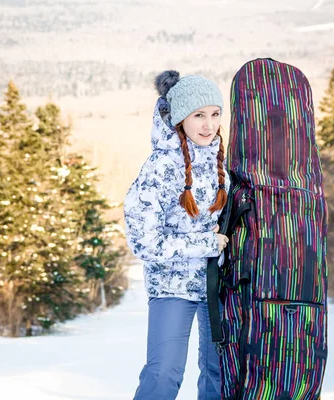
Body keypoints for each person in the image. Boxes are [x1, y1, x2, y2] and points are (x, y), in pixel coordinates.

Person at [123, 70, 230, 400]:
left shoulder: (226, 162)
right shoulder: (160, 166)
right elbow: (144, 240)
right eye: (199, 115)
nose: (208, 125)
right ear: (181, 117)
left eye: (214, 114)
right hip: (172, 284)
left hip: (218, 285)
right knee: (164, 373)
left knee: (218, 374)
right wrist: (205, 243)